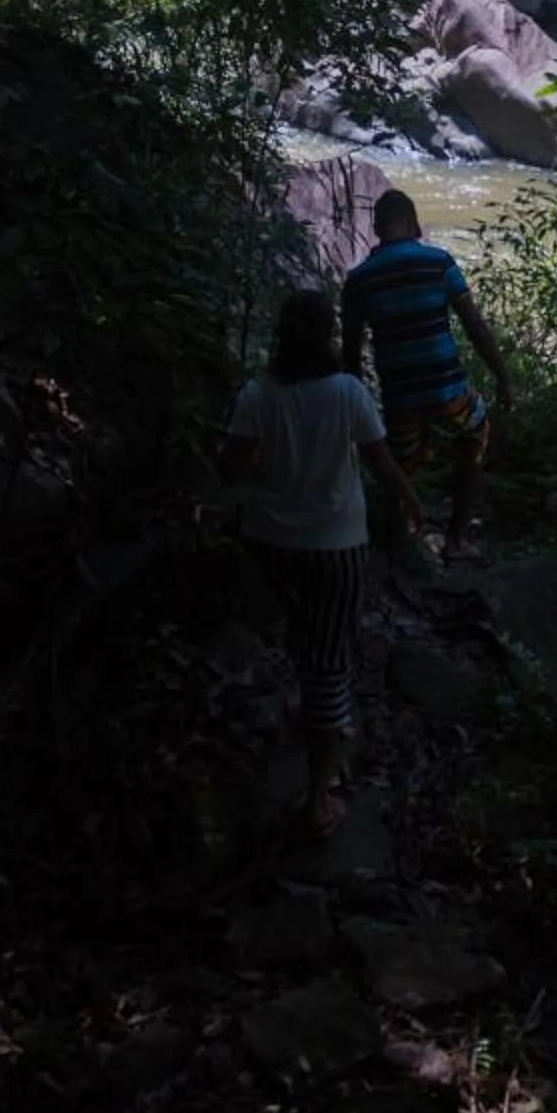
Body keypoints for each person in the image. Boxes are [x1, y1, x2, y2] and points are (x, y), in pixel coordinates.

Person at [218, 287, 422, 839]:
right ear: (330, 335)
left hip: (269, 546)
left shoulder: (258, 395)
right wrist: (412, 502)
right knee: (330, 662)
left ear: (282, 334)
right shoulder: (348, 392)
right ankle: (317, 799)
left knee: (303, 641)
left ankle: (307, 715)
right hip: (335, 550)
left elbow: (231, 471)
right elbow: (380, 463)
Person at [341, 188, 511, 556]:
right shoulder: (439, 263)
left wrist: (358, 414)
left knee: (398, 462)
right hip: (448, 393)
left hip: (400, 397)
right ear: (415, 223)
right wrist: (501, 376)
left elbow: (350, 356)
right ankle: (456, 538)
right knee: (476, 433)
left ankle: (398, 539)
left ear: (376, 228)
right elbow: (474, 326)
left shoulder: (358, 280)